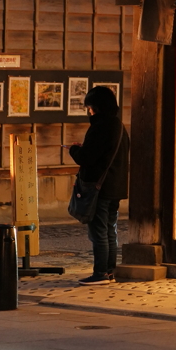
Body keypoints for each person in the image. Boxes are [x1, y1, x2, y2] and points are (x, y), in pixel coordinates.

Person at [69, 85, 129, 285]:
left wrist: (74, 151)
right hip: (115, 186)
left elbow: (88, 158)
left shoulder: (101, 127)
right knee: (110, 230)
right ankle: (109, 272)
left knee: (99, 232)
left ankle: (100, 273)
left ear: (97, 106)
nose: (89, 111)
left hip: (99, 188)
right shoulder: (120, 126)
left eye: (90, 107)